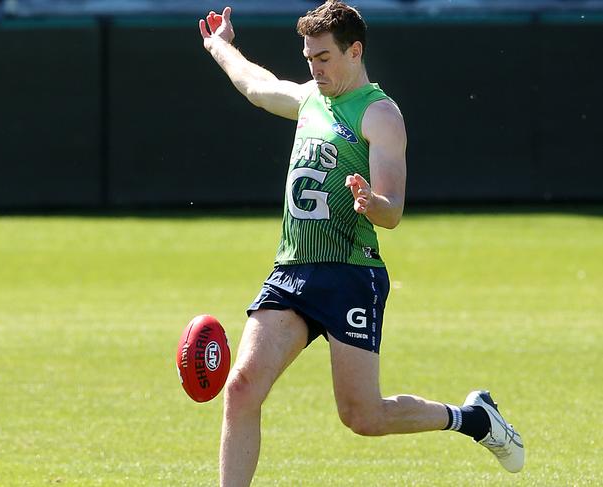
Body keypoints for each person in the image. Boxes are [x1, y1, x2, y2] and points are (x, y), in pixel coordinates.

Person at [198, 2, 524, 485]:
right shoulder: (311, 98)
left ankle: (473, 418)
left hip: (351, 275)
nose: (314, 67)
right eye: (309, 57)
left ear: (355, 51)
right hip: (292, 270)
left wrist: (372, 201)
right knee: (242, 388)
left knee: (362, 416)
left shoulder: (380, 114)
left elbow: (392, 211)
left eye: (324, 57)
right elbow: (256, 86)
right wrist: (221, 47)